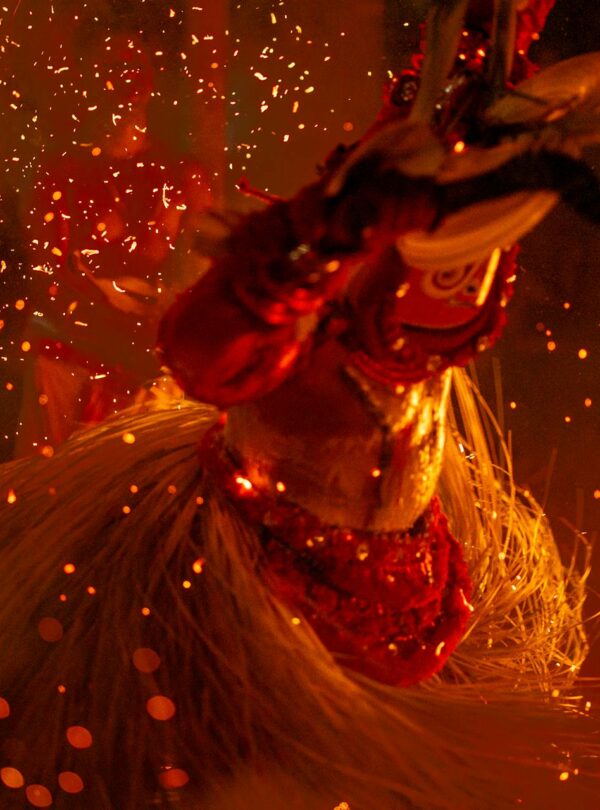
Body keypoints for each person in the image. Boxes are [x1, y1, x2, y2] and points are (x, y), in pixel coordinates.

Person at [0, 1, 598, 807]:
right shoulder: (315, 276)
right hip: (258, 546)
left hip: (393, 546)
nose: (122, 88)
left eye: (134, 72)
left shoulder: (430, 205)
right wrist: (324, 240)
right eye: (108, 72)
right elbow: (202, 346)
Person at [16, 24, 211, 456]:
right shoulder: (59, 176)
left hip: (154, 366)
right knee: (56, 476)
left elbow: (202, 278)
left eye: (134, 65)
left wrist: (162, 313)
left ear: (153, 77)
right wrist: (111, 301)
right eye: (109, 67)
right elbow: (49, 283)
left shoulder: (182, 176)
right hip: (70, 361)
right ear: (87, 78)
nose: (125, 79)